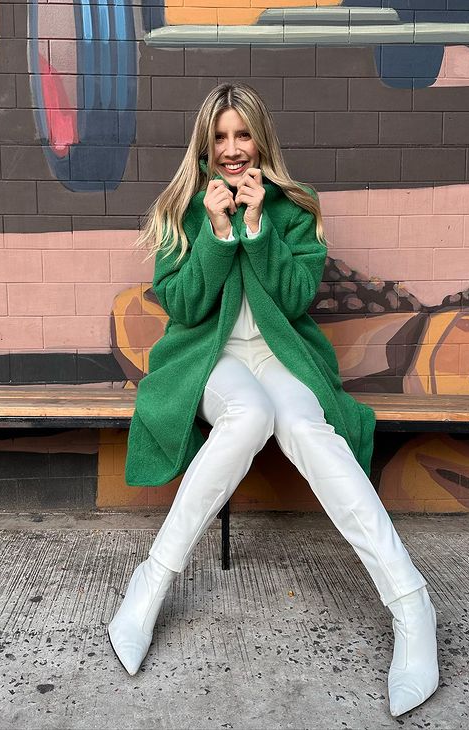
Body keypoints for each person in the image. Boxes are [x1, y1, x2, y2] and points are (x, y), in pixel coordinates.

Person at [109, 82, 439, 718]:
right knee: (250, 414)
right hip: (209, 359)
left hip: (280, 356)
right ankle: (152, 581)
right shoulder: (182, 208)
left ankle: (410, 603)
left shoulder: (294, 207)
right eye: (221, 137)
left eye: (243, 134)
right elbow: (183, 306)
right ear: (205, 145)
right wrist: (217, 230)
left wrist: (258, 228)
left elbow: (293, 298)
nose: (232, 149)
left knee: (307, 427)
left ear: (261, 140)